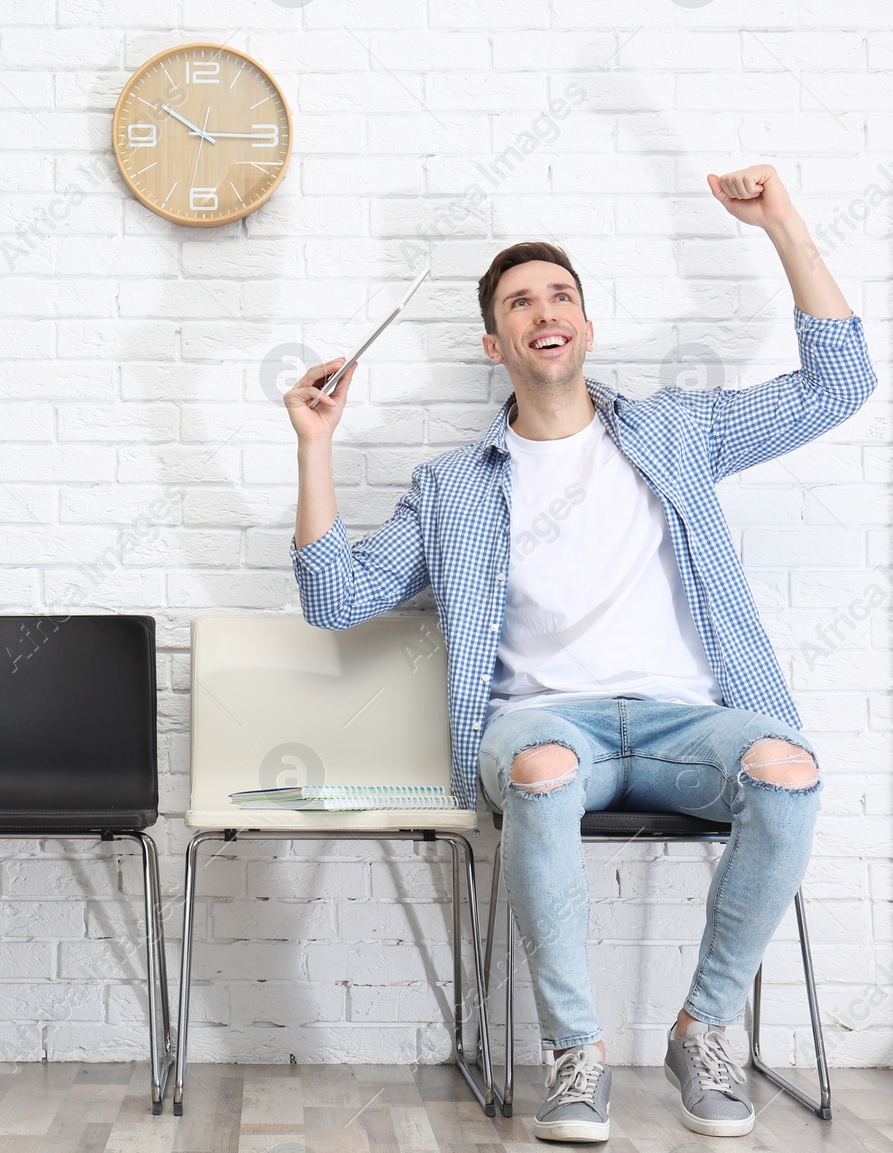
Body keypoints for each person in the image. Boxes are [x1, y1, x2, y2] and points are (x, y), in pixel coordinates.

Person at [283, 164, 876, 1142]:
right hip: (546, 723)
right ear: (495, 342)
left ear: (585, 329)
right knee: (542, 769)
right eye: (520, 301)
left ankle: (703, 1026)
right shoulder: (453, 486)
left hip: (689, 719)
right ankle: (574, 1053)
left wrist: (781, 223)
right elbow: (335, 597)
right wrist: (314, 446)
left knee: (788, 768)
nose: (543, 311)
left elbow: (840, 383)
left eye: (561, 295)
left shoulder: (676, 433)